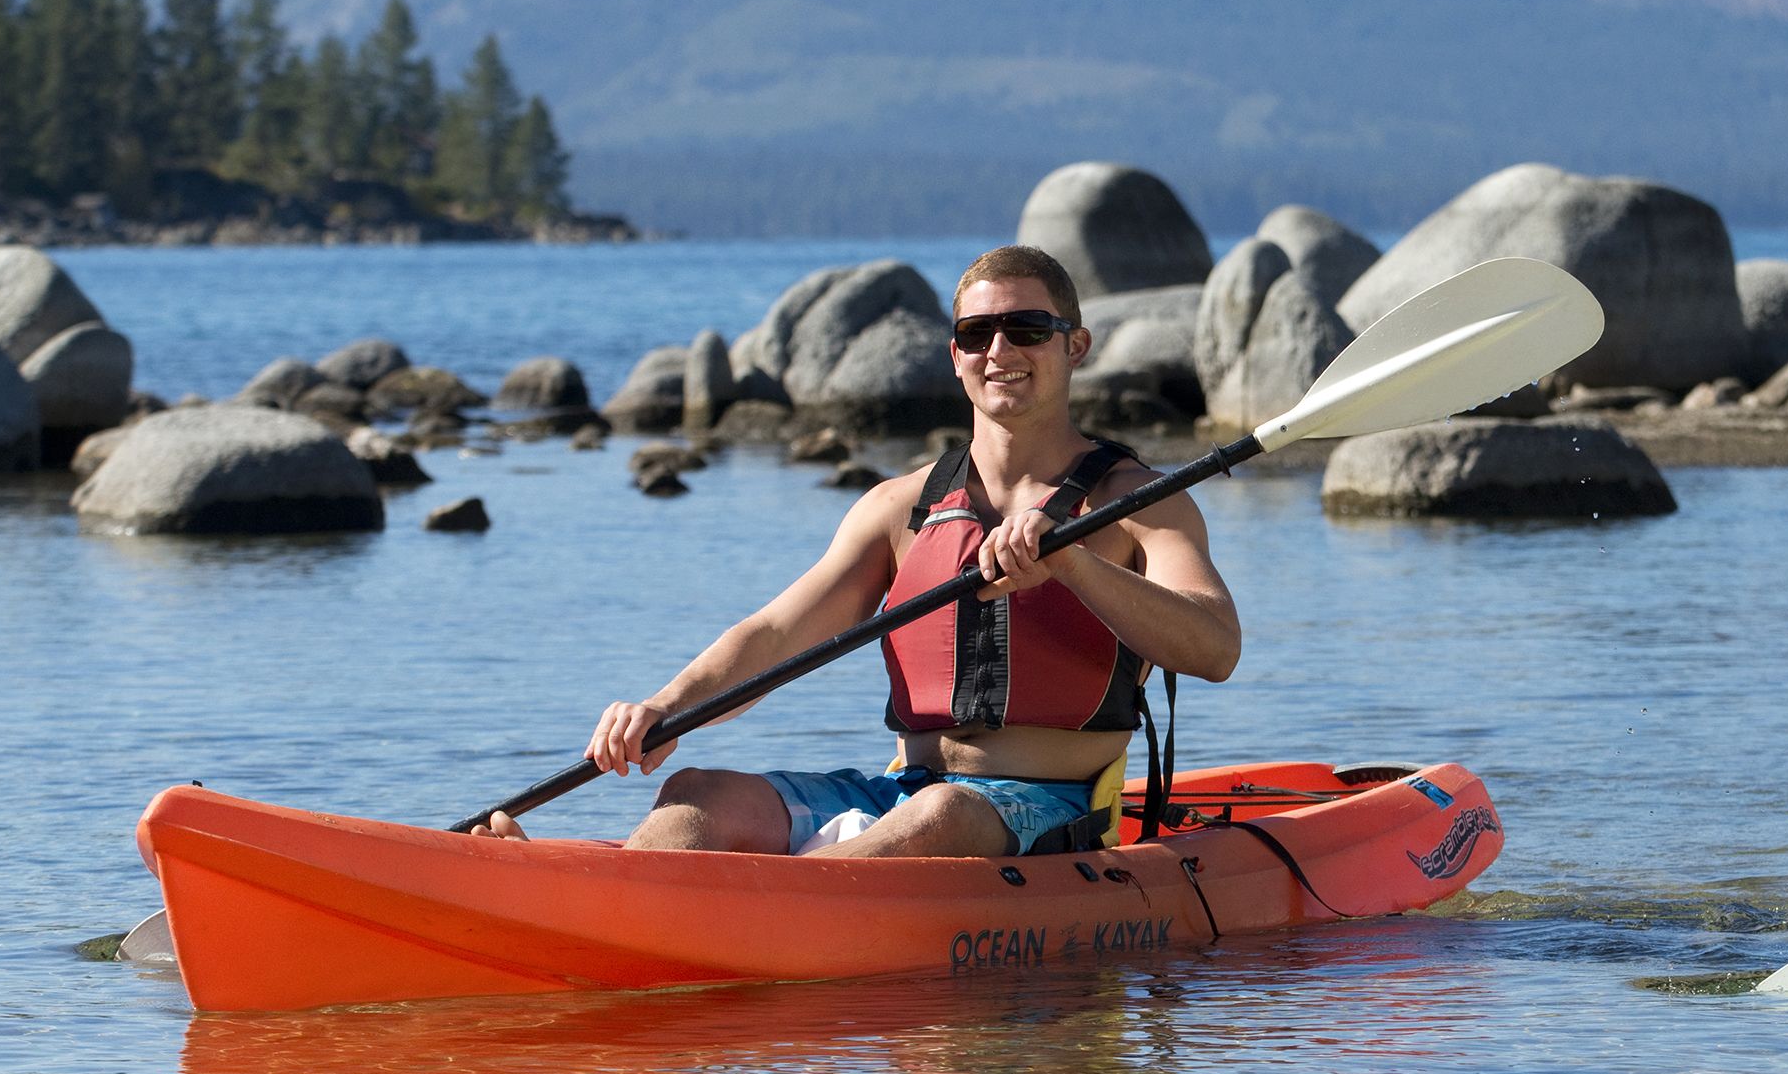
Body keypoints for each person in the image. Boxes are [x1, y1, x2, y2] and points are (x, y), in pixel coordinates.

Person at [474, 246, 1241, 857]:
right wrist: (666, 709)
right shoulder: (897, 507)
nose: (1000, 348)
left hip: (1051, 809)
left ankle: (740, 918)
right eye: (978, 334)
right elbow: (776, 635)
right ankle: (599, 891)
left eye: (1028, 329)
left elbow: (1214, 645)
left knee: (944, 812)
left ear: (1076, 345)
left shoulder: (1140, 503)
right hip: (901, 792)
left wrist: (1074, 564)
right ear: (955, 356)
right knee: (700, 792)